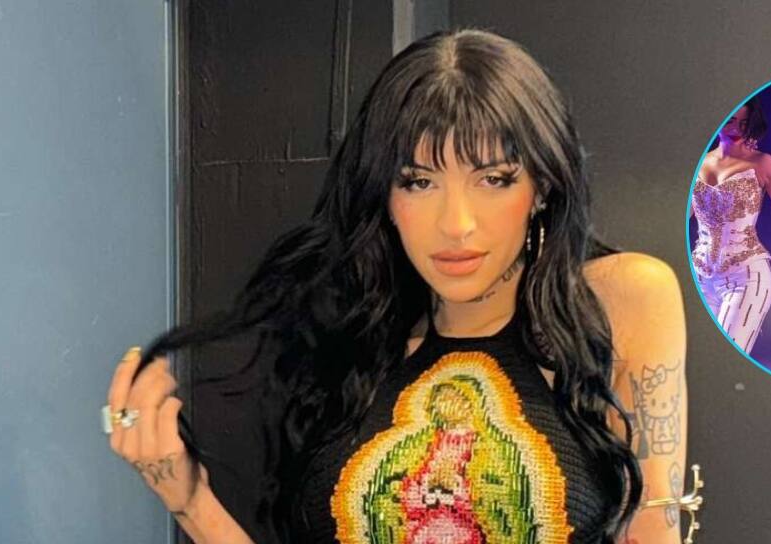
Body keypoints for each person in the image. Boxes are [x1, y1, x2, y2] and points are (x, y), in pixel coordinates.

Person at [103, 29, 689, 544]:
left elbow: (655, 533)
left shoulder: (620, 301)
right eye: (418, 182)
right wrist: (189, 500)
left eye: (493, 179)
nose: (457, 223)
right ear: (384, 196)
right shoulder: (358, 353)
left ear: (541, 188)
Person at [690, 97, 771, 355]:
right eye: (730, 120)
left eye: (743, 122)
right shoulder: (697, 163)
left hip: (746, 275)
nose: (736, 128)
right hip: (700, 275)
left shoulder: (762, 163)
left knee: (726, 357)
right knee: (698, 357)